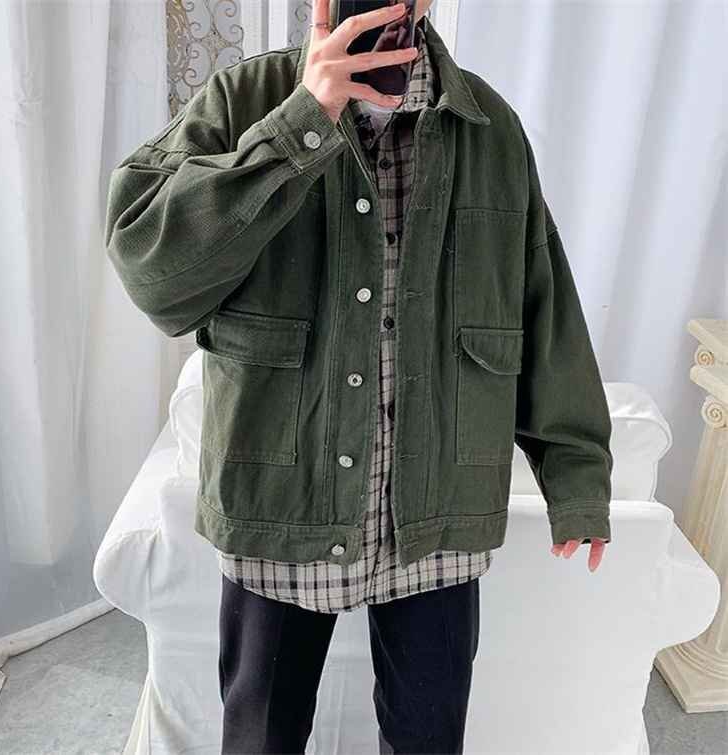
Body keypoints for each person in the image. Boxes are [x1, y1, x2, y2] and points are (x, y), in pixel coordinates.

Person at [104, 1, 613, 752]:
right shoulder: (244, 101)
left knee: (428, 740)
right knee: (261, 739)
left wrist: (576, 473)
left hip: (437, 514)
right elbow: (152, 269)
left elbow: (542, 302)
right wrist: (301, 122)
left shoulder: (490, 130)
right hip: (280, 500)